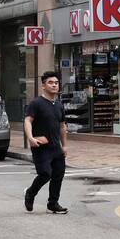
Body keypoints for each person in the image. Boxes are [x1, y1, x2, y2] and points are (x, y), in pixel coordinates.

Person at [24, 71, 69, 215]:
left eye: (56, 82)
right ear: (43, 85)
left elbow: (62, 126)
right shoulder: (36, 103)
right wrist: (30, 137)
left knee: (58, 174)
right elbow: (27, 120)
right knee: (45, 174)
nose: (54, 85)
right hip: (41, 146)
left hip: (56, 146)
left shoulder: (59, 105)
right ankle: (31, 193)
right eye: (50, 82)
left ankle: (53, 203)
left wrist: (65, 145)